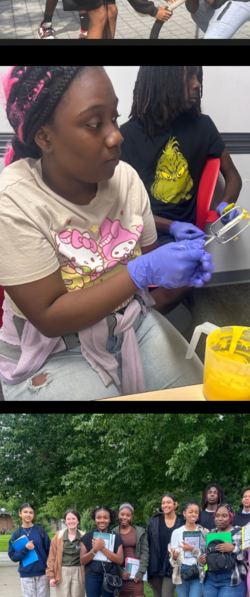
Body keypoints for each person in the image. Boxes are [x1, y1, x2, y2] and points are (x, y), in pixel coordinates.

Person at [0, 66, 213, 400]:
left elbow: (150, 259)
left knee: (203, 402)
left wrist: (179, 269)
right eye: (94, 124)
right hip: (54, 348)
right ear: (45, 137)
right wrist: (142, 270)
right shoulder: (15, 199)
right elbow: (50, 318)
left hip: (131, 323)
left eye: (114, 118)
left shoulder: (126, 179)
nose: (116, 136)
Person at [119, 67, 243, 317]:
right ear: (161, 80)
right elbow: (121, 209)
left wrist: (226, 204)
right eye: (189, 76)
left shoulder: (203, 126)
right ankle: (126, 321)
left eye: (199, 76)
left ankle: (133, 322)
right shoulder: (127, 136)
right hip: (138, 228)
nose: (197, 84)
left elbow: (233, 177)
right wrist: (171, 225)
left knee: (185, 279)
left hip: (179, 236)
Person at [80, 506, 124, 597]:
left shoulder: (116, 537)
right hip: (92, 577)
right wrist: (94, 549)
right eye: (99, 517)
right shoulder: (88, 537)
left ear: (110, 519)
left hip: (110, 577)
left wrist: (102, 548)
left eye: (105, 517)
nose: (102, 520)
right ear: (94, 519)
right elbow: (82, 560)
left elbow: (119, 560)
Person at [8, 502, 51, 597]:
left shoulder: (40, 531)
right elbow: (13, 556)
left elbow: (50, 552)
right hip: (26, 574)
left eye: (31, 512)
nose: (28, 514)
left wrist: (50, 570)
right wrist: (26, 549)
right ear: (20, 514)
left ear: (34, 514)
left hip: (42, 572)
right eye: (25, 512)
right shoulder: (16, 534)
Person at [169, 499, 208, 597]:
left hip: (197, 571)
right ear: (184, 513)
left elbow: (205, 554)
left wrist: (192, 550)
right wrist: (174, 556)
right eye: (190, 512)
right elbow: (172, 555)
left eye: (196, 512)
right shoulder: (177, 532)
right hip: (182, 571)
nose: (194, 514)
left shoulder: (204, 532)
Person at [147, 494, 185, 597]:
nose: (165, 505)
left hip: (173, 564)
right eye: (163, 503)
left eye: (169, 502)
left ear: (175, 504)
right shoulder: (154, 521)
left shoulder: (182, 522)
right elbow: (148, 543)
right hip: (155, 564)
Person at [110, 503, 149, 597]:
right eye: (122, 514)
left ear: (132, 516)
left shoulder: (140, 532)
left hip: (136, 574)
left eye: (128, 515)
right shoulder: (113, 532)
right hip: (122, 574)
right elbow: (111, 554)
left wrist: (140, 572)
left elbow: (145, 553)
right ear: (119, 515)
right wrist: (120, 572)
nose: (124, 517)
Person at [45, 508, 86, 597]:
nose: (71, 521)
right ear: (65, 521)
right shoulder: (58, 537)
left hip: (78, 571)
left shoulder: (84, 537)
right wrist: (51, 575)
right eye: (68, 519)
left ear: (78, 520)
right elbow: (52, 557)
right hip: (61, 572)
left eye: (73, 518)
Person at [198, 483, 225, 597]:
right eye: (210, 492)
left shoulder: (224, 514)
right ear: (205, 495)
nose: (212, 494)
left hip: (220, 554)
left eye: (215, 492)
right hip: (204, 554)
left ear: (219, 495)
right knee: (203, 585)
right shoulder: (200, 515)